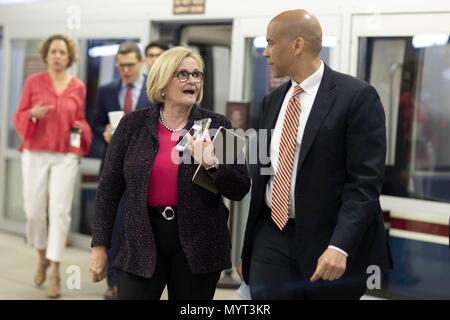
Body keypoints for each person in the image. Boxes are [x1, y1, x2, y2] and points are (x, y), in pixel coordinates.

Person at [237, 9, 391, 300]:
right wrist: (249, 250)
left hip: (329, 240)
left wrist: (341, 246)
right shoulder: (272, 101)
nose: (265, 53)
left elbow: (364, 183)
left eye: (270, 43)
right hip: (273, 235)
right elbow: (261, 172)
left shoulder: (356, 97)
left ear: (296, 45)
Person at [89, 46, 250, 300]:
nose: (192, 81)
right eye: (183, 75)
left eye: (197, 75)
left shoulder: (218, 125)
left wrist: (213, 164)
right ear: (162, 81)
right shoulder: (132, 125)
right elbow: (109, 189)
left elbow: (241, 186)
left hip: (199, 246)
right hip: (140, 241)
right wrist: (99, 247)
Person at [13, 33, 92, 298]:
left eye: (62, 52)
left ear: (70, 57)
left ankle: (55, 267)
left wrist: (82, 129)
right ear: (46, 55)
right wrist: (31, 115)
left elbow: (80, 119)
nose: (58, 56)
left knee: (59, 211)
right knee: (34, 211)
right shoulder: (33, 82)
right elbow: (19, 116)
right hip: (35, 152)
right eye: (53, 51)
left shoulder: (78, 86)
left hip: (65, 155)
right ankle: (41, 255)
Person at [91, 41, 153, 300]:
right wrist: (104, 133)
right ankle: (114, 281)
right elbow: (95, 122)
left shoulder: (154, 88)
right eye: (121, 66)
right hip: (114, 163)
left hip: (145, 166)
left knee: (138, 221)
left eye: (129, 65)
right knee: (114, 220)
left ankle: (143, 274)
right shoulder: (107, 90)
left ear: (141, 63)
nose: (125, 70)